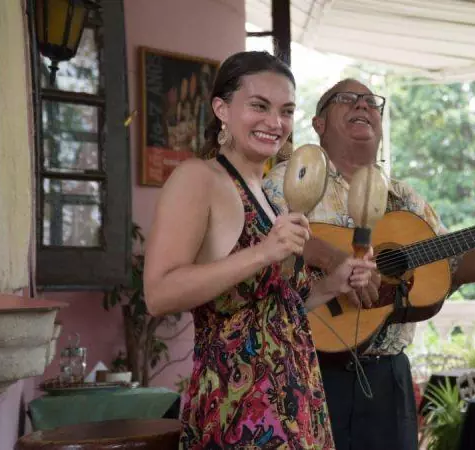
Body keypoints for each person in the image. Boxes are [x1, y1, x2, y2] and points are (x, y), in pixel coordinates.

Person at [263, 78, 475, 450]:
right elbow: (267, 238)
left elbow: (451, 263)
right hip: (307, 366)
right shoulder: (289, 179)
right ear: (319, 124)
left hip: (387, 376)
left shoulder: (405, 199)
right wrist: (333, 258)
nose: (362, 106)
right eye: (346, 99)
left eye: (371, 102)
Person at [143, 53, 376, 450]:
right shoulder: (197, 178)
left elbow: (276, 311)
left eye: (286, 111)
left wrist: (333, 285)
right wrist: (264, 252)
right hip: (241, 411)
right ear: (222, 109)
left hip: (297, 400)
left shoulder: (271, 196)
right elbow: (158, 293)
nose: (275, 123)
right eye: (259, 106)